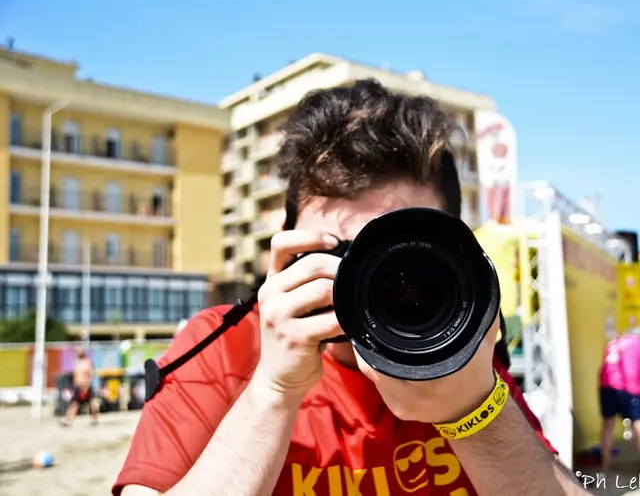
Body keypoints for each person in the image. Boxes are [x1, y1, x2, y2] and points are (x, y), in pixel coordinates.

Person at [114, 80, 586, 495]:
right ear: (286, 244)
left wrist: (474, 411)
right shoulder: (225, 348)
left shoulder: (461, 344)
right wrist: (274, 390)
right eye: (342, 256)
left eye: (402, 255)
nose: (373, 284)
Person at [598, 316, 640, 471]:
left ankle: (605, 465)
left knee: (608, 425)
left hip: (605, 385)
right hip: (627, 386)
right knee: (637, 423)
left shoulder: (613, 342)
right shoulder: (637, 343)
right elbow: (633, 370)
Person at [60, 347, 98, 427]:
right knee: (75, 404)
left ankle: (94, 419)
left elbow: (91, 374)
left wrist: (86, 385)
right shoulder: (76, 362)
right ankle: (68, 421)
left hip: (86, 386)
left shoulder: (87, 362)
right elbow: (75, 375)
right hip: (78, 387)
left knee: (90, 404)